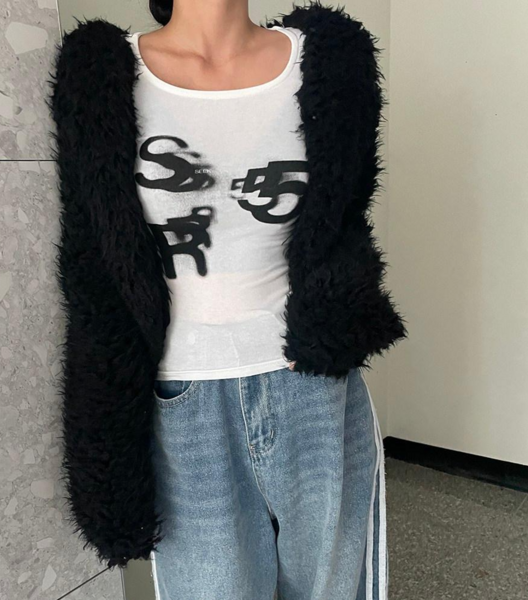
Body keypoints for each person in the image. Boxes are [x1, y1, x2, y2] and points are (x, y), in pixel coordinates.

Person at [48, 1, 407, 598]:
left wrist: (337, 318)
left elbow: (346, 223)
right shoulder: (103, 76)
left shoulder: (327, 60)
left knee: (334, 588)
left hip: (312, 388)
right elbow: (92, 267)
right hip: (183, 399)